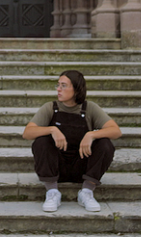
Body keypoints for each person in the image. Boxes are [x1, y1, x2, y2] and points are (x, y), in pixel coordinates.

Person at [22, 69, 122, 213]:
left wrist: (91, 135)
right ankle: (52, 193)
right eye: (58, 85)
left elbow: (116, 131)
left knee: (105, 143)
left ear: (76, 89)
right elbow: (27, 133)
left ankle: (87, 192)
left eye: (63, 85)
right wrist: (52, 130)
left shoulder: (90, 108)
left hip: (81, 168)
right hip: (56, 167)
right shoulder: (50, 107)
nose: (58, 89)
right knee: (41, 140)